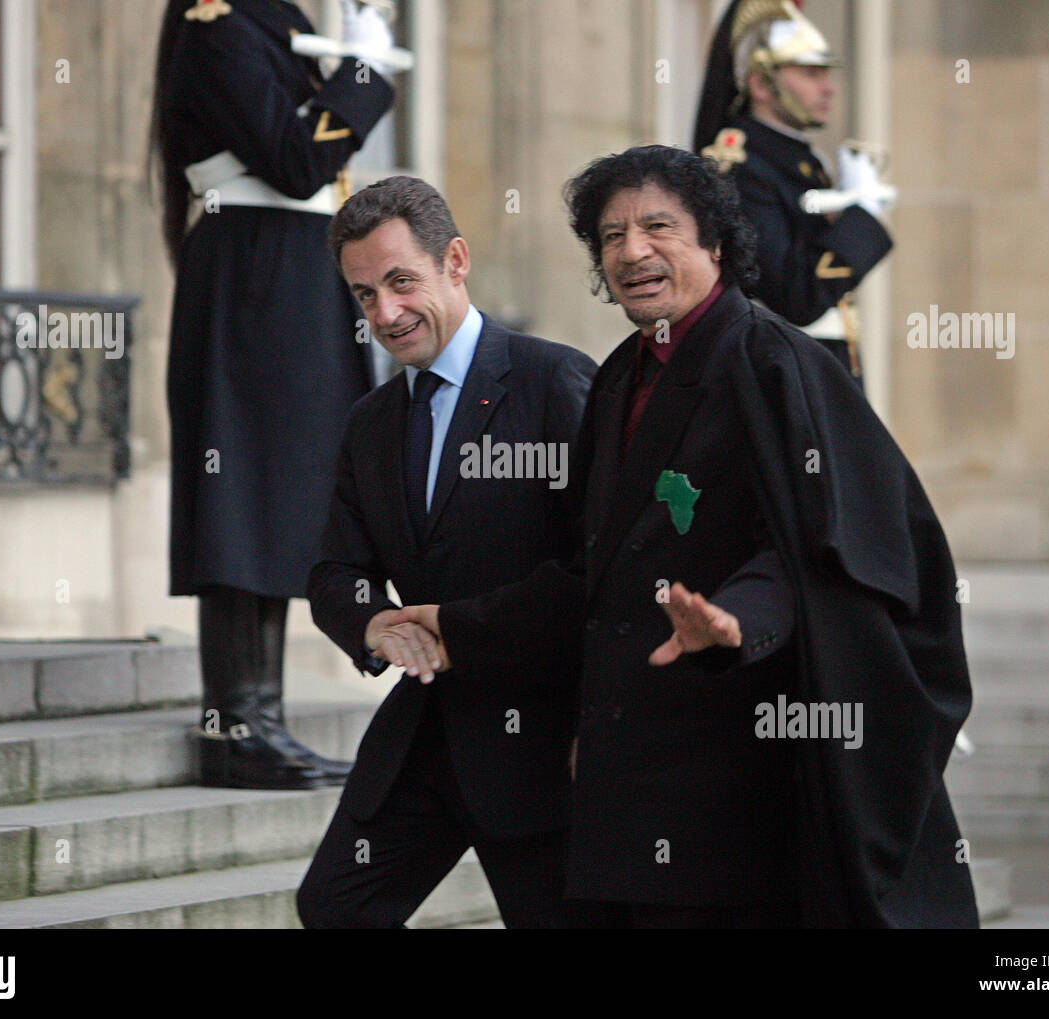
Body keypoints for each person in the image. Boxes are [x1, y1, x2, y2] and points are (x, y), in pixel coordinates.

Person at [399, 145, 979, 928]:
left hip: (740, 791)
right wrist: (460, 622)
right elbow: (588, 573)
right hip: (630, 788)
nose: (631, 250)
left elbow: (828, 555)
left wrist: (738, 620)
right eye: (610, 236)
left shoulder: (780, 365)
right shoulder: (616, 379)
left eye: (657, 226)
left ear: (715, 243)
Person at [294, 176, 597, 928]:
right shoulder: (370, 423)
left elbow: (598, 569)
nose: (385, 313)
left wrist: (461, 628)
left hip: (541, 744)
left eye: (401, 282)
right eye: (364, 295)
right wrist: (373, 624)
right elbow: (336, 569)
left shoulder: (551, 381)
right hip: (424, 740)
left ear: (455, 261)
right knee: (335, 907)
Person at [149, 0, 395, 788]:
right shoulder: (216, 25)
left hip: (289, 271)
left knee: (284, 496)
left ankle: (265, 718)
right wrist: (363, 75)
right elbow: (296, 159)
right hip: (252, 273)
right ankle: (235, 724)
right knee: (241, 493)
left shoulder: (272, 23)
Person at [693, 0, 892, 385]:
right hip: (779, 373)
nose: (827, 87)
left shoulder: (796, 156)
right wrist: (860, 217)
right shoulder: (740, 165)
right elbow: (798, 296)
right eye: (810, 73)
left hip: (820, 363)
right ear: (760, 83)